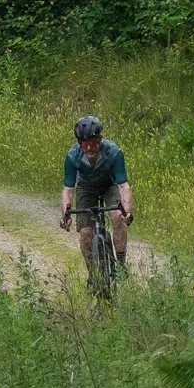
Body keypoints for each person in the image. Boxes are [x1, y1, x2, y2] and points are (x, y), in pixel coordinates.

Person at [59, 115, 134, 280]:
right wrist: (66, 214)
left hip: (110, 185)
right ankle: (93, 275)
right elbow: (68, 190)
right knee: (86, 233)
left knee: (117, 217)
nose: (89, 147)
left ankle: (120, 266)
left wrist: (126, 211)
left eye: (93, 142)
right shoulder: (72, 156)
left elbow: (123, 186)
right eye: (84, 143)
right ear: (79, 143)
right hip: (86, 187)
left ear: (100, 140)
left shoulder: (114, 152)